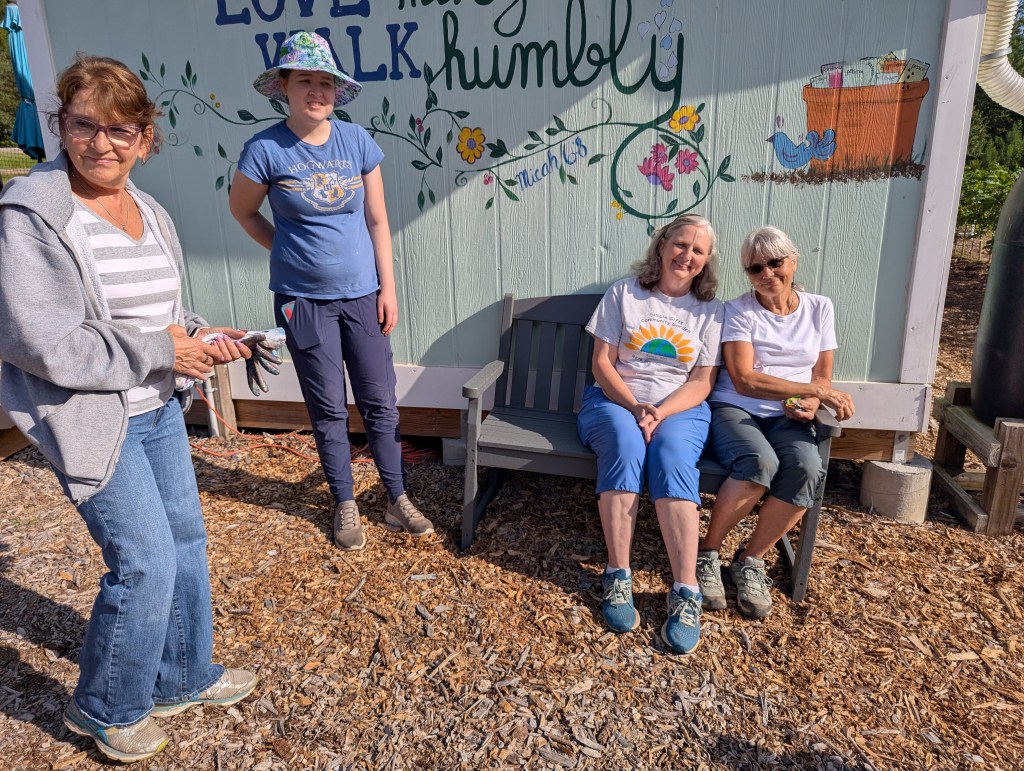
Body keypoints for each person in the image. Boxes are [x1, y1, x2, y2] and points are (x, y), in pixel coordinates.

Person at [0, 55, 257, 763]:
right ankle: (103, 704)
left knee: (185, 546)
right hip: (92, 419)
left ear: (146, 138)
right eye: (84, 126)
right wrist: (161, 350)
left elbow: (161, 317)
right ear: (62, 125)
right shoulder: (34, 215)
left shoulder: (150, 210)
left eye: (120, 130)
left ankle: (183, 673)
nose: (100, 144)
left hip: (160, 407)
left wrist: (200, 337)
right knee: (142, 560)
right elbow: (43, 341)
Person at [229, 31, 434, 551]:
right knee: (328, 408)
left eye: (325, 82)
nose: (316, 91)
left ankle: (394, 497)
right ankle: (344, 501)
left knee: (380, 401)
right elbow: (243, 211)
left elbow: (378, 219)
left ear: (336, 91)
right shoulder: (265, 149)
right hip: (302, 302)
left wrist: (389, 288)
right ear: (284, 86)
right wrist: (284, 249)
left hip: (364, 295)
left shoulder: (356, 141)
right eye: (305, 81)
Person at [576, 214, 724, 655]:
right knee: (623, 445)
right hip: (615, 401)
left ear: (706, 262)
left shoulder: (710, 311)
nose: (687, 256)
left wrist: (659, 411)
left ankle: (686, 591)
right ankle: (618, 576)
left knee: (674, 457)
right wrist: (636, 406)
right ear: (662, 245)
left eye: (698, 251)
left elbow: (701, 382)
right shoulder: (624, 293)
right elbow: (602, 363)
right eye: (681, 244)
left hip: (680, 409)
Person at [697, 226, 855, 619]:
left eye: (775, 263)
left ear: (793, 260)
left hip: (788, 415)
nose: (767, 273)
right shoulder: (738, 311)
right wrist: (806, 391)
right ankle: (708, 552)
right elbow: (744, 379)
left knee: (808, 467)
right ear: (747, 274)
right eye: (755, 268)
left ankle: (750, 559)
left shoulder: (820, 307)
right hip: (737, 409)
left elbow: (822, 376)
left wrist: (810, 399)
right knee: (759, 462)